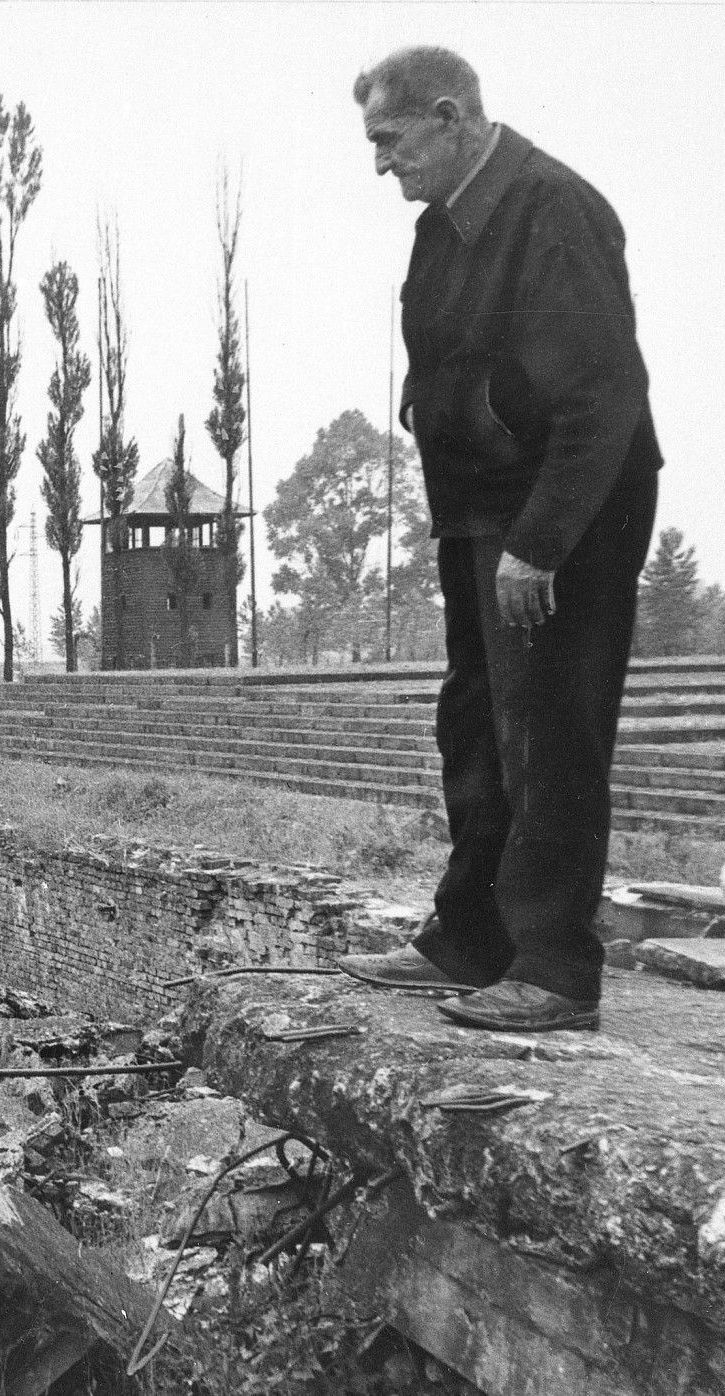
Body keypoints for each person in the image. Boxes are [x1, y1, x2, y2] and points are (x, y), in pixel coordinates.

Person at [335, 47, 661, 1032]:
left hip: (561, 516)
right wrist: (427, 403)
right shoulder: (442, 229)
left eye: (390, 141)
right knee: (477, 724)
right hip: (478, 511)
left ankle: (555, 969)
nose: (382, 165)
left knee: (548, 731)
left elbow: (603, 394)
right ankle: (469, 936)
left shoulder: (551, 210)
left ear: (449, 116)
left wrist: (543, 541)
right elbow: (449, 349)